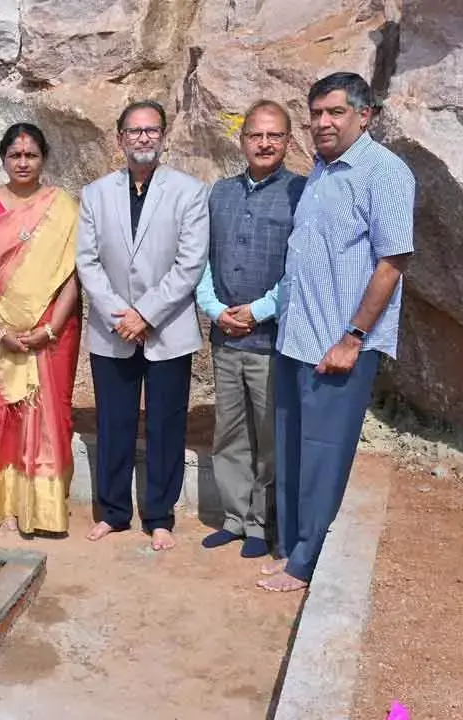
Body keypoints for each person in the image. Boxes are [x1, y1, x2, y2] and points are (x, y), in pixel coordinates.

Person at [261, 73, 415, 592]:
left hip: (338, 346)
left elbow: (391, 264)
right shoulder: (322, 173)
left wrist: (352, 338)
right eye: (317, 113)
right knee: (293, 448)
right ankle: (289, 549)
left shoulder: (385, 173)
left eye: (335, 112)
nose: (322, 123)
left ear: (363, 115)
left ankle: (305, 562)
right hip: (296, 340)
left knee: (324, 451)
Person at [77, 100, 210, 551]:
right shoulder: (96, 193)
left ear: (164, 136)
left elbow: (190, 263)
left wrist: (146, 314)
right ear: (119, 139)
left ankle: (159, 515)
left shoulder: (190, 191)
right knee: (114, 422)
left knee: (165, 424)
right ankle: (113, 512)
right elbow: (88, 261)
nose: (143, 138)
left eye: (152, 130)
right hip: (112, 330)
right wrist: (121, 314)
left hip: (167, 328)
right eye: (134, 131)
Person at [196, 100, 307, 559]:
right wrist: (214, 309)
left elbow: (298, 269)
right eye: (255, 135)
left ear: (286, 141)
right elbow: (202, 260)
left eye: (274, 135)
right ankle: (234, 518)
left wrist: (258, 311)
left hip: (268, 342)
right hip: (224, 338)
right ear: (241, 140)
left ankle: (263, 524)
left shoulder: (301, 193)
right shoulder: (219, 193)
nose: (264, 143)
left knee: (268, 437)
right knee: (230, 432)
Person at [0, 123, 81, 536]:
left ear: (43, 158)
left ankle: (45, 508)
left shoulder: (63, 207)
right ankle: (7, 505)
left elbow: (72, 276)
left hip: (52, 331)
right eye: (15, 155)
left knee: (50, 414)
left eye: (31, 155)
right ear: (3, 159)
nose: (23, 162)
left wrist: (50, 327)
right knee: (5, 416)